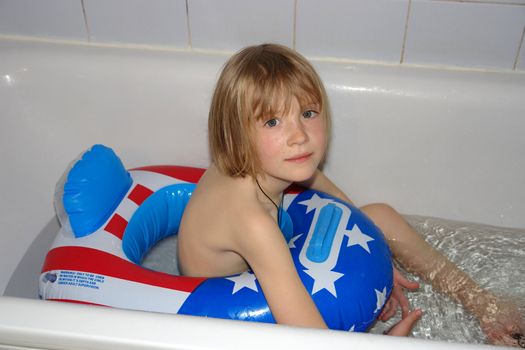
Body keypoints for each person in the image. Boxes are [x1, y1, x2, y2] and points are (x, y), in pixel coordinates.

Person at [177, 43, 524, 345]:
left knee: (380, 215)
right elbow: (308, 340)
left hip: (263, 263)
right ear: (236, 137)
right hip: (226, 312)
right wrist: (381, 345)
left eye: (308, 113)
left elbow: (344, 208)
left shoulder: (272, 166)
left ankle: (483, 304)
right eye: (272, 122)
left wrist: (376, 253)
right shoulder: (252, 223)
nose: (299, 135)